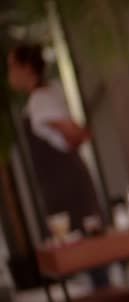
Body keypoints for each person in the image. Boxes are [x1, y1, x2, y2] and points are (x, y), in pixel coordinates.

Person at [8, 43, 108, 287]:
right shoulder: (44, 95)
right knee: (84, 248)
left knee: (84, 248)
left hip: (66, 184)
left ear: (27, 69)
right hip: (62, 183)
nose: (9, 74)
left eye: (12, 67)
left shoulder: (41, 99)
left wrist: (73, 134)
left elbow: (77, 134)